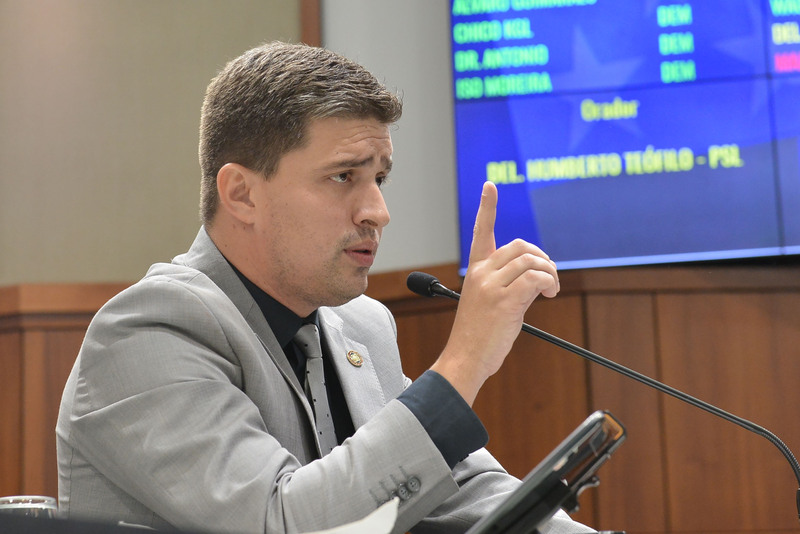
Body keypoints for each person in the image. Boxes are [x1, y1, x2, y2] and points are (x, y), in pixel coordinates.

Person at [56, 41, 595, 534]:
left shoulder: (364, 326)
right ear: (241, 194)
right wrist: (466, 359)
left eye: (379, 178)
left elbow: (467, 491)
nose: (378, 211)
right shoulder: (147, 331)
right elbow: (282, 521)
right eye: (343, 176)